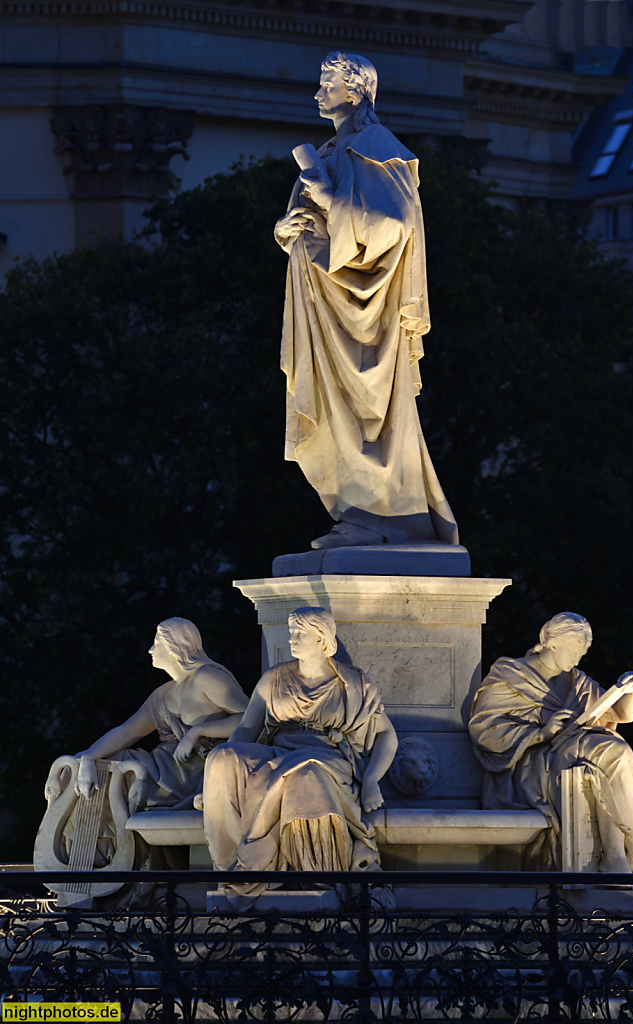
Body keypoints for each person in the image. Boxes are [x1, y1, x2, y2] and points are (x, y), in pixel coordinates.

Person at [274, 51, 458, 549]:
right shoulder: (330, 151)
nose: (318, 93)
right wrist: (285, 228)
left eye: (327, 84)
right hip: (326, 301)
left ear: (354, 90)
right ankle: (359, 513)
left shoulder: (379, 146)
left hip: (367, 309)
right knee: (337, 414)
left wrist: (333, 205)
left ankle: (386, 517)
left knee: (371, 412)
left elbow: (396, 224)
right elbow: (306, 224)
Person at [201, 606, 398, 902]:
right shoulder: (274, 679)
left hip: (327, 759)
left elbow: (387, 735)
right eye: (291, 632)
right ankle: (235, 869)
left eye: (300, 633)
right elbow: (246, 730)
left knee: (307, 775)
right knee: (222, 756)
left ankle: (316, 879)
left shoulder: (354, 684)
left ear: (321, 639)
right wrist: (214, 778)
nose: (292, 638)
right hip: (278, 753)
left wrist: (371, 779)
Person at [468, 612, 633, 872]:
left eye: (582, 653)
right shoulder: (511, 674)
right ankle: (615, 857)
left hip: (573, 753)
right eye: (573, 651)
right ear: (552, 643)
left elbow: (622, 714)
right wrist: (541, 734)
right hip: (534, 762)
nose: (577, 659)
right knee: (612, 750)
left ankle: (617, 855)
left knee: (615, 751)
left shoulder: (576, 682)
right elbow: (484, 729)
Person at [39, 618, 248, 875]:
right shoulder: (163, 694)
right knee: (99, 766)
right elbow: (126, 731)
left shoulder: (208, 677)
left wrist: (199, 731)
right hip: (166, 769)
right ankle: (94, 868)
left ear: (174, 646)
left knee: (115, 775)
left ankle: (109, 869)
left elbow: (250, 718)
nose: (150, 649)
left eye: (157, 642)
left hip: (204, 772)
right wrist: (87, 759)